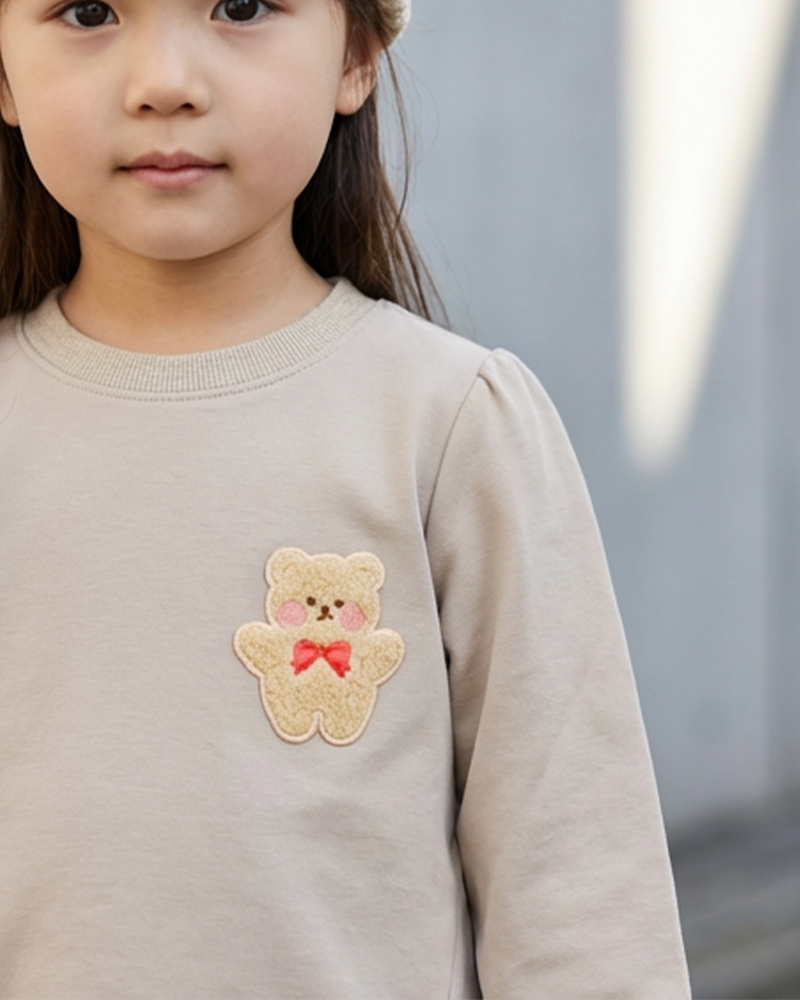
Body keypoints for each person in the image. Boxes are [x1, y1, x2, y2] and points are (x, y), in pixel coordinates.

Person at [0, 0, 691, 996]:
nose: (164, 83)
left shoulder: (446, 423)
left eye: (242, 7)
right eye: (89, 11)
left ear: (357, 54)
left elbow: (579, 891)